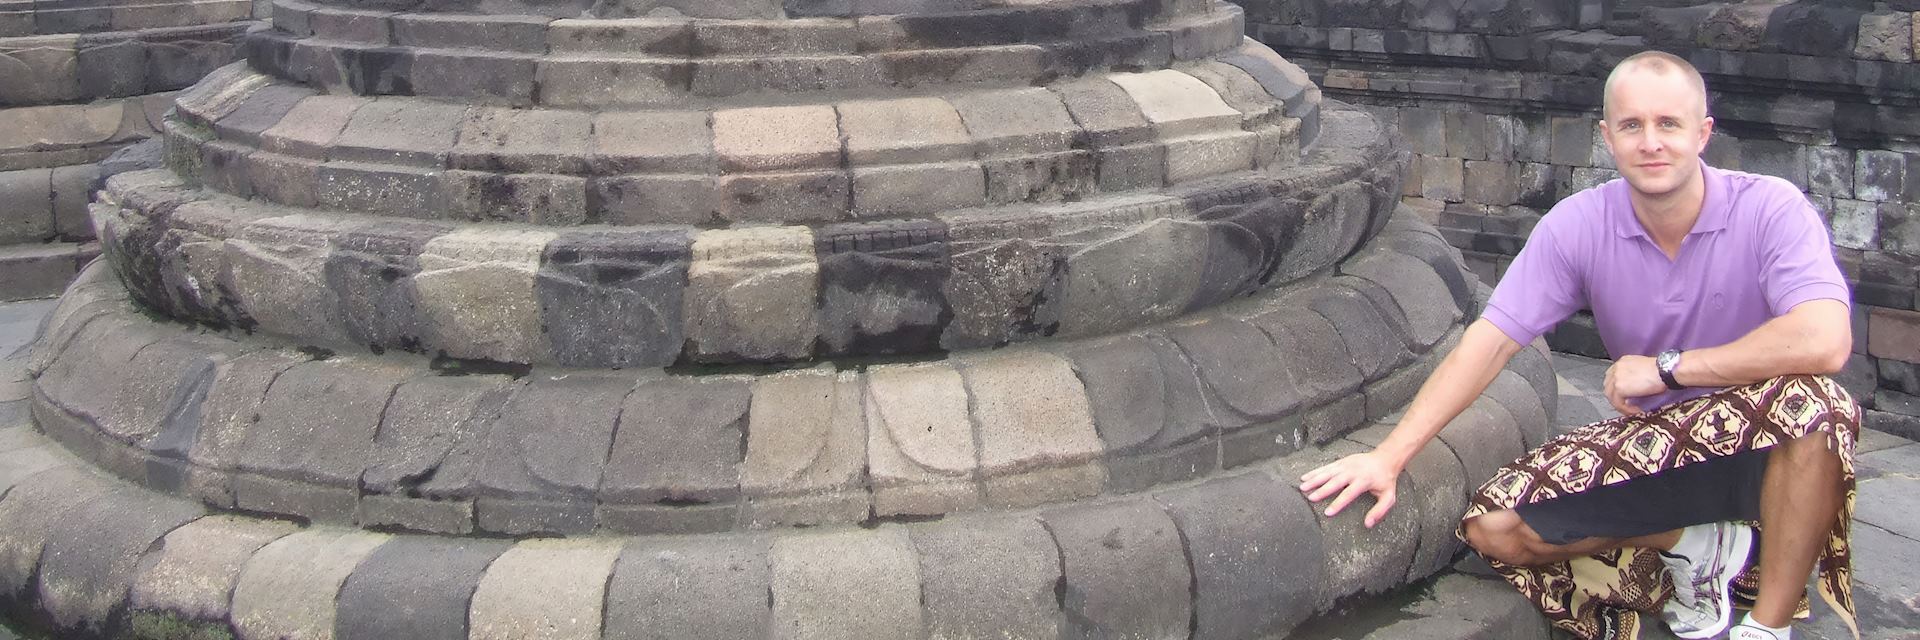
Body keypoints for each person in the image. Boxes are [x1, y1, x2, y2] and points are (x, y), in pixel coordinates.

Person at [1298, 51, 1860, 640]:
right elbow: (1490, 342)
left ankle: (1767, 626)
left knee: (1817, 406)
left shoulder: (1769, 208)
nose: (1651, 143)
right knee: (1495, 527)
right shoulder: (1579, 226)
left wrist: (1669, 370)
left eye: (1669, 124)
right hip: (1658, 444)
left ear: (1703, 133)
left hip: (1762, 446)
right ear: (1607, 138)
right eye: (1632, 126)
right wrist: (1389, 457)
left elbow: (1826, 337)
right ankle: (1699, 546)